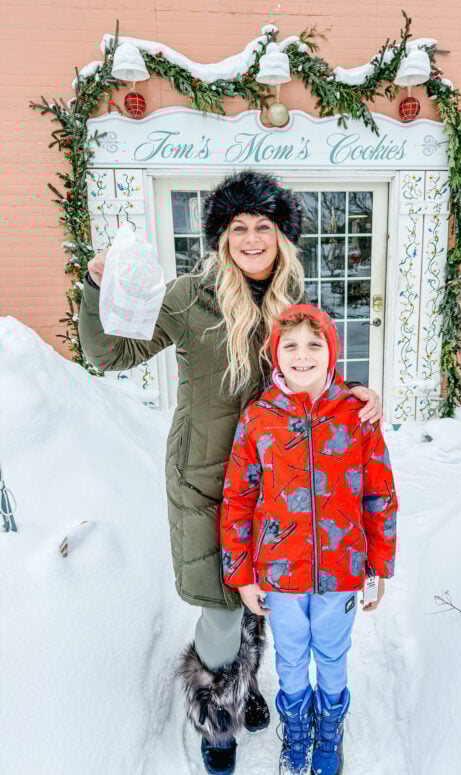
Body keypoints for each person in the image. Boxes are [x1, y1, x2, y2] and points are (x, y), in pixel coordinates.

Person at [77, 170, 383, 775]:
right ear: (221, 237)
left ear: (281, 237)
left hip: (281, 487)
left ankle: (246, 686)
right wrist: (95, 284)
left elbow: (311, 372)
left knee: (263, 600)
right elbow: (109, 352)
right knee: (221, 611)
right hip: (204, 480)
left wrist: (357, 396)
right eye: (238, 227)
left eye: (263, 227)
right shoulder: (190, 297)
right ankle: (219, 716)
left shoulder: (294, 303)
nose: (250, 238)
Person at [221, 304, 398, 775]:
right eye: (291, 346)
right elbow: (238, 498)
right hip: (279, 573)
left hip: (341, 569)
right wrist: (241, 575)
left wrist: (380, 564)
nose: (303, 356)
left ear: (331, 353)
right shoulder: (258, 418)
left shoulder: (356, 414)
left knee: (333, 653)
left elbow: (379, 491)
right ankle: (296, 730)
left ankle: (330, 729)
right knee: (292, 654)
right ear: (275, 355)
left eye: (314, 345)